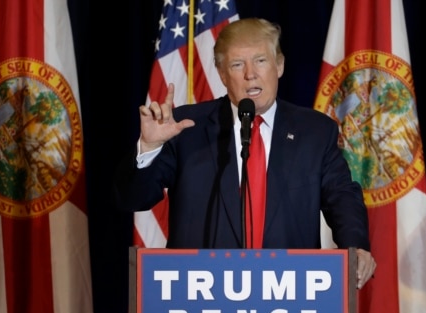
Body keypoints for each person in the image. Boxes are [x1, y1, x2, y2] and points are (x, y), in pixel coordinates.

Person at [115, 18, 376, 288]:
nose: (250, 74)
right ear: (222, 75)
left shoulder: (315, 131)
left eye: (261, 61)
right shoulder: (186, 128)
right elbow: (133, 199)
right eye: (237, 65)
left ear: (280, 65)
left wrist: (355, 246)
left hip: (289, 293)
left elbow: (342, 196)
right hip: (200, 296)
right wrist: (149, 147)